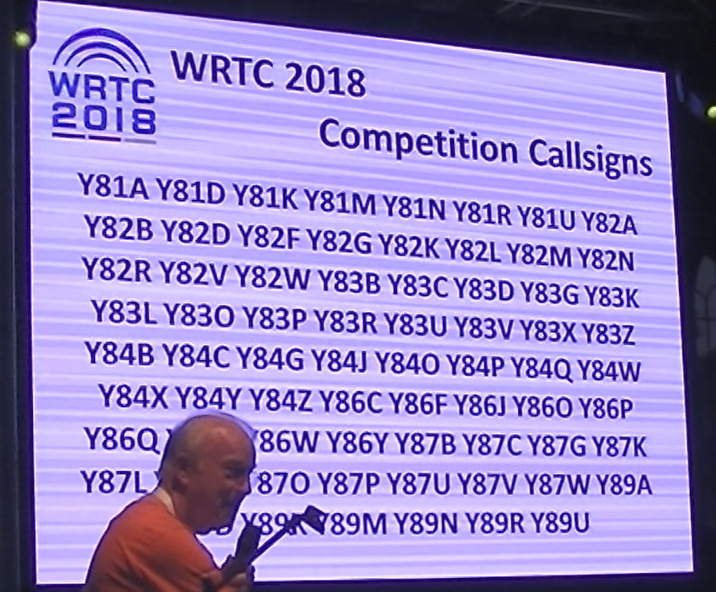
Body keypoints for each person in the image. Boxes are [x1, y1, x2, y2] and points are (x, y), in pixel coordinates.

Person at [82, 412, 257, 592]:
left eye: (248, 475)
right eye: (233, 473)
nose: (246, 488)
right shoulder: (161, 537)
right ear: (183, 470)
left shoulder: (145, 520)